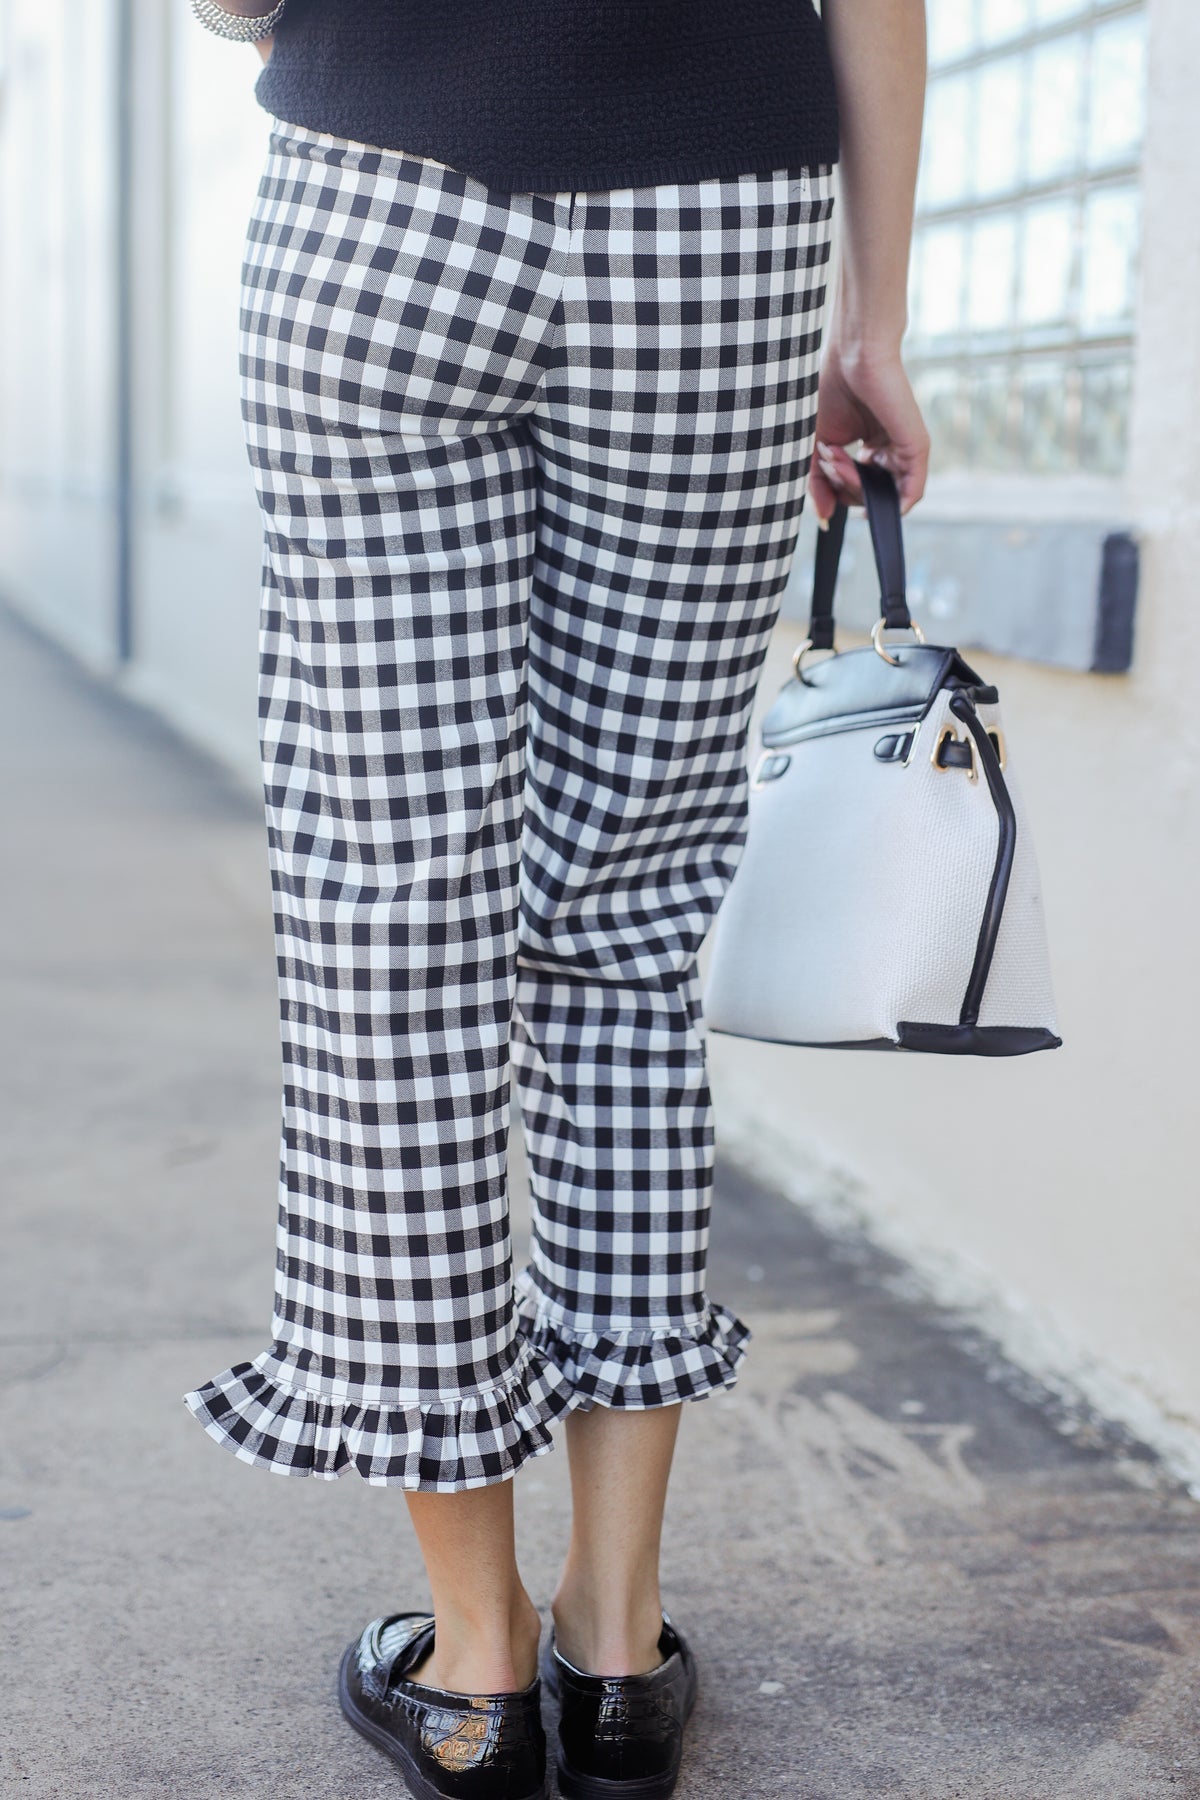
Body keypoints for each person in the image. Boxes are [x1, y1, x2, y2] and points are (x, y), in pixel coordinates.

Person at [183, 3, 929, 1796]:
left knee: (394, 929)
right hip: (723, 237)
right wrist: (872, 317)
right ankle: (615, 1640)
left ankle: (474, 1665)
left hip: (381, 202)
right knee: (628, 922)